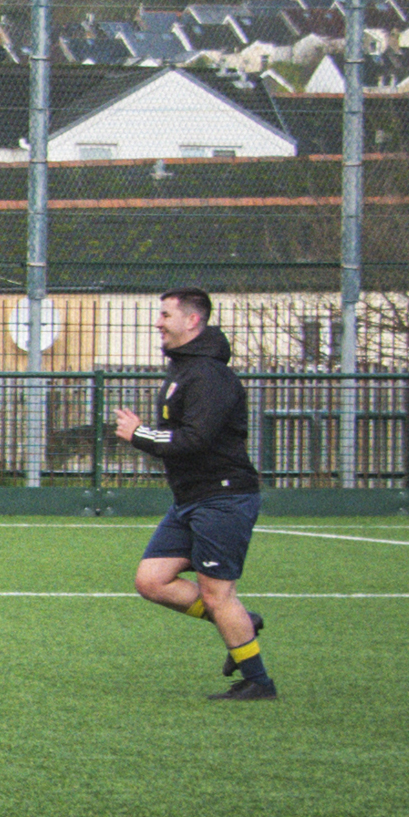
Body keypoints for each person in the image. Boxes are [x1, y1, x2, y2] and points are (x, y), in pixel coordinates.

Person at [112, 286, 275, 702]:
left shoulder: (208, 375)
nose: (158, 323)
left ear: (192, 321)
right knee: (151, 580)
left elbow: (196, 439)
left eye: (166, 315)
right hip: (190, 499)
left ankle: (258, 681)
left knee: (219, 594)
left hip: (222, 497)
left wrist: (140, 434)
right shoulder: (184, 370)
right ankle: (240, 622)